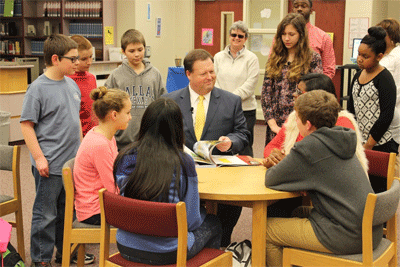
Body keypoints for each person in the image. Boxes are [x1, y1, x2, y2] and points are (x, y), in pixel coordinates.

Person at [265, 90, 381, 267]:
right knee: (296, 213)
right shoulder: (343, 137)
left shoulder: (309, 147)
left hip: (345, 234)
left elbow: (272, 179)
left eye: (297, 118)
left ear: (308, 124)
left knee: (265, 231)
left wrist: (281, 163)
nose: (294, 122)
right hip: (369, 229)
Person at [113, 98, 222, 265]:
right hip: (167, 252)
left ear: (145, 123)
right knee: (214, 223)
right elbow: (191, 221)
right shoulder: (183, 162)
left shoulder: (125, 157)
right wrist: (204, 211)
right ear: (177, 128)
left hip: (126, 246)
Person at [20, 34, 93, 266]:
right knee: (45, 215)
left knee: (67, 213)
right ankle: (40, 260)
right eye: (72, 59)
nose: (76, 63)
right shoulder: (37, 88)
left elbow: (75, 124)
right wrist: (39, 158)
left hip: (70, 165)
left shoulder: (71, 84)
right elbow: (26, 126)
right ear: (55, 58)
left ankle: (65, 253)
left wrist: (80, 154)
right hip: (49, 165)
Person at [164, 49, 249, 247]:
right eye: (203, 73)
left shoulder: (231, 101)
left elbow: (243, 134)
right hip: (181, 174)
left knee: (228, 212)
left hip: (220, 175)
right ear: (188, 75)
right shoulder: (170, 101)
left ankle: (221, 242)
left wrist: (231, 141)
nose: (210, 77)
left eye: (212, 71)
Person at [263, 73, 368, 175]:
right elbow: (271, 147)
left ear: (315, 98)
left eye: (299, 92)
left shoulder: (341, 122)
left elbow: (323, 166)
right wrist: (274, 157)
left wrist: (287, 162)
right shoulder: (296, 117)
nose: (294, 95)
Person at [348, 26, 400, 192]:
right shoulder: (357, 75)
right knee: (361, 188)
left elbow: (386, 115)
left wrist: (370, 144)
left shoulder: (385, 78)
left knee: (378, 191)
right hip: (361, 142)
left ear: (379, 56)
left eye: (365, 56)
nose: (360, 59)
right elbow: (351, 108)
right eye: (359, 54)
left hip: (380, 144)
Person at [261, 13, 322, 145]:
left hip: (301, 124)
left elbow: (315, 94)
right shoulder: (274, 58)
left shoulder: (313, 58)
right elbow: (266, 94)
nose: (286, 38)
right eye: (283, 34)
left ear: (301, 34)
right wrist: (273, 125)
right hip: (275, 125)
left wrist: (301, 124)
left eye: (291, 34)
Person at [73, 86, 131, 225]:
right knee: (149, 213)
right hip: (94, 211)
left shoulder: (105, 135)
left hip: (100, 204)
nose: (130, 117)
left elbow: (117, 172)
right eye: (128, 112)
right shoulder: (100, 144)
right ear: (114, 115)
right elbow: (112, 189)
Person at [105, 29, 166, 150]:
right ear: (123, 51)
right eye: (131, 51)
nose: (137, 54)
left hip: (150, 140)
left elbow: (162, 103)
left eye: (140, 49)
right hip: (122, 141)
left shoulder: (155, 74)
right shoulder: (116, 75)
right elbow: (106, 105)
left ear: (145, 48)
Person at [214, 20, 260, 156]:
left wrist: (230, 100)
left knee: (244, 145)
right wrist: (224, 100)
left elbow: (250, 85)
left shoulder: (252, 58)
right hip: (221, 109)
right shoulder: (218, 57)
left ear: (246, 38)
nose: (236, 38)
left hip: (245, 111)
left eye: (240, 36)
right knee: (223, 144)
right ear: (229, 36)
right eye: (233, 35)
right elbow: (213, 80)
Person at [292, 0, 336, 79]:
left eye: (303, 6)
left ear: (311, 10)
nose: (299, 9)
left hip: (313, 87)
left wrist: (318, 87)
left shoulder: (323, 37)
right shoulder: (283, 35)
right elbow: (273, 63)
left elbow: (329, 70)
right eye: (296, 6)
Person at [68, 35, 97, 137]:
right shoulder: (67, 80)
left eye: (91, 57)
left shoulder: (91, 78)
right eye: (84, 59)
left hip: (93, 133)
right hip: (76, 136)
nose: (89, 62)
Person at [376, 18, 400, 110]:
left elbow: (397, 89)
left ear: (390, 36)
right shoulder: (383, 55)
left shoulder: (395, 57)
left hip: (392, 110)